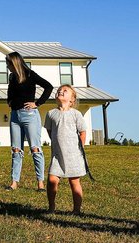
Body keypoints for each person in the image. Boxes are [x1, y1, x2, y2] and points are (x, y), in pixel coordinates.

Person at [5, 51, 53, 191]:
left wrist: (37, 103)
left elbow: (48, 86)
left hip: (30, 116)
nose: (7, 66)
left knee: (35, 148)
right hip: (15, 116)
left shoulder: (30, 74)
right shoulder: (12, 77)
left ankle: (40, 183)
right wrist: (10, 102)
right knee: (16, 149)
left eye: (8, 63)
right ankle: (14, 182)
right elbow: (10, 92)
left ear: (15, 62)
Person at [44, 84, 87, 214]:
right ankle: (51, 207)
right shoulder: (51, 114)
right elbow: (50, 131)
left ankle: (76, 210)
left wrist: (80, 148)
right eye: (59, 91)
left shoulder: (76, 114)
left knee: (74, 182)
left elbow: (82, 132)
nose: (60, 92)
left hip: (74, 155)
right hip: (57, 155)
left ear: (72, 100)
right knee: (52, 181)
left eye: (65, 91)